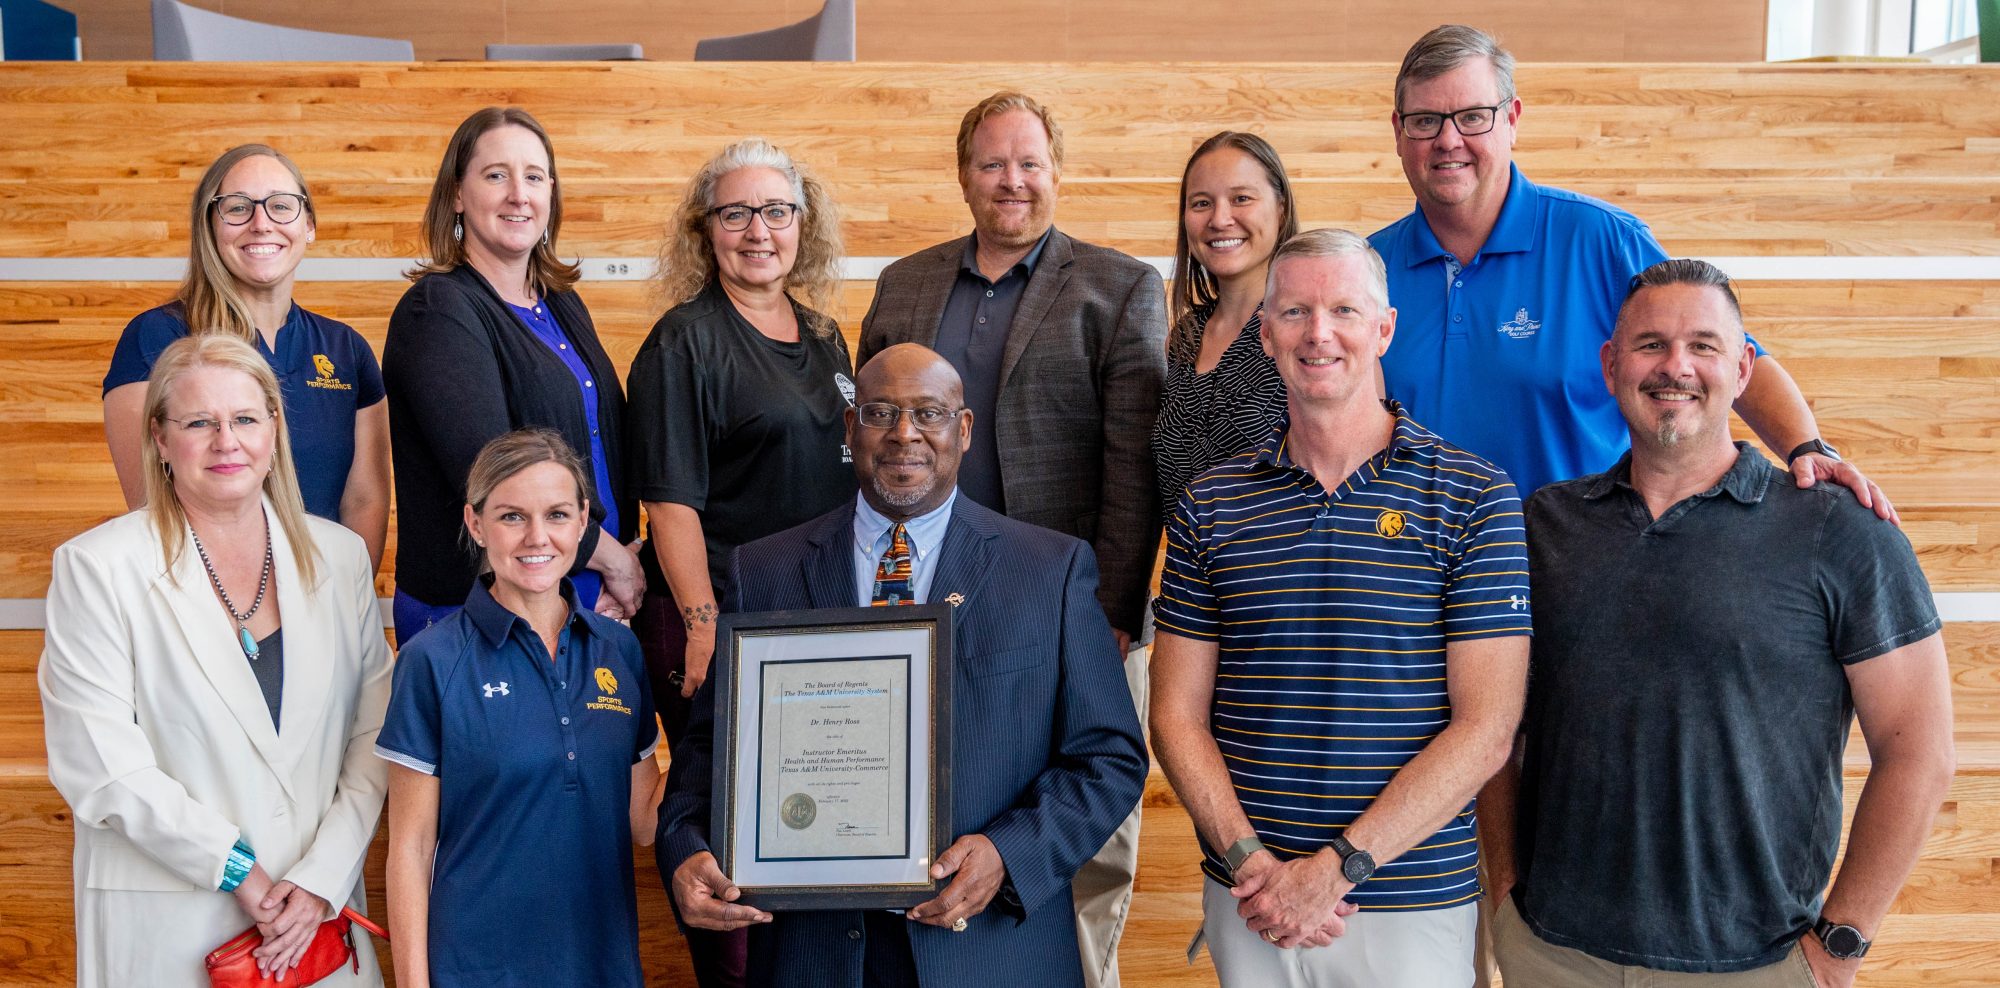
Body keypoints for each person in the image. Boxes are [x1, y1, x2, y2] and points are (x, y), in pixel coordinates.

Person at [1485, 259, 1955, 987]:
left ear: (1742, 369)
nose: (1676, 366)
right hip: (1554, 955)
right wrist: (1504, 895)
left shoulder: (1839, 530)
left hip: (1757, 964)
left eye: (1703, 345)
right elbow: (1496, 729)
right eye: (1650, 345)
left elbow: (1918, 750)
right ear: (1611, 366)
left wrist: (1840, 946)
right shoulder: (1545, 527)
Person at [660, 343, 1148, 988]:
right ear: (850, 428)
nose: (904, 433)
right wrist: (685, 847)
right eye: (880, 412)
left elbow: (1109, 757)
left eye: (930, 413)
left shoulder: (1048, 570)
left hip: (987, 950)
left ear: (964, 429)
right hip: (816, 955)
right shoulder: (764, 570)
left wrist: (1009, 853)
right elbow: (705, 750)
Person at [1150, 230, 1531, 988]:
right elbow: (1175, 718)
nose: (1318, 333)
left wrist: (1338, 868)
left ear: (1384, 327)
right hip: (1249, 899)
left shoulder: (1474, 499)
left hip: (1410, 903)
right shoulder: (1210, 505)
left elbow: (1487, 730)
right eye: (1294, 312)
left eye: (1344, 310)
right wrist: (1251, 864)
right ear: (1265, 333)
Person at [856, 91, 1166, 988]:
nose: (1012, 182)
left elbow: (1129, 464)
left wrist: (1109, 610)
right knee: (931, 804)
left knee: (1078, 843)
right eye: (993, 164)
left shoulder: (1117, 287)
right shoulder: (905, 283)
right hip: (915, 597)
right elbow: (874, 440)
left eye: (1029, 163)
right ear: (964, 177)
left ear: (1057, 172)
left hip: (1058, 607)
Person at [1368, 25, 1894, 517]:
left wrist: (1808, 448)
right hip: (1418, 580)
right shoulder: (1367, 268)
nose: (1448, 139)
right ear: (1397, 131)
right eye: (1425, 121)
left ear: (1511, 120)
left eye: (1473, 116)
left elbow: (1725, 355)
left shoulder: (1601, 239)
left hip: (1579, 572)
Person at [42, 333, 390, 987]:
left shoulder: (340, 559)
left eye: (245, 419)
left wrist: (317, 880)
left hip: (313, 923)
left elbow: (373, 740)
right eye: (199, 422)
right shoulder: (98, 568)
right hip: (173, 926)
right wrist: (240, 873)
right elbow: (102, 765)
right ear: (160, 438)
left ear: (274, 429)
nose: (226, 441)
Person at [623, 136, 857, 988]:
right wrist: (701, 623)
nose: (757, 231)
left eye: (776, 211)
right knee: (728, 839)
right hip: (722, 622)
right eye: (735, 213)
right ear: (705, 229)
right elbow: (671, 502)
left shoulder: (828, 336)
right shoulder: (685, 342)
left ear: (804, 224)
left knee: (805, 832)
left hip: (809, 624)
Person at [377, 428, 661, 988]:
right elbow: (409, 850)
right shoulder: (431, 661)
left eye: (556, 515)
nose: (537, 537)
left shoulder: (619, 648)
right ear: (475, 522)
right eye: (511, 516)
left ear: (583, 522)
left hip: (603, 966)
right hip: (477, 968)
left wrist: (743, 727)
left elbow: (645, 821)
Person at [384, 106, 642, 645]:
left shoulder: (562, 303)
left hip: (580, 594)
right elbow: (493, 471)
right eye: (496, 175)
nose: (518, 195)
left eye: (534, 176)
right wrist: (613, 560)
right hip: (477, 613)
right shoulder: (437, 310)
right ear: (457, 194)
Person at [101, 143, 389, 569]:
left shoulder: (345, 349)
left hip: (321, 597)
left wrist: (344, 598)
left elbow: (364, 499)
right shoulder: (158, 337)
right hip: (207, 601)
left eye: (281, 206)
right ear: (209, 227)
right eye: (237, 208)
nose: (261, 223)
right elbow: (153, 507)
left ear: (309, 224)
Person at [1151, 130, 1298, 521]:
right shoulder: (1183, 338)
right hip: (1187, 578)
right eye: (1201, 203)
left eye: (1241, 199)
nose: (1219, 219)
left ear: (1281, 208)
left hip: (1283, 578)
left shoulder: (1314, 330)